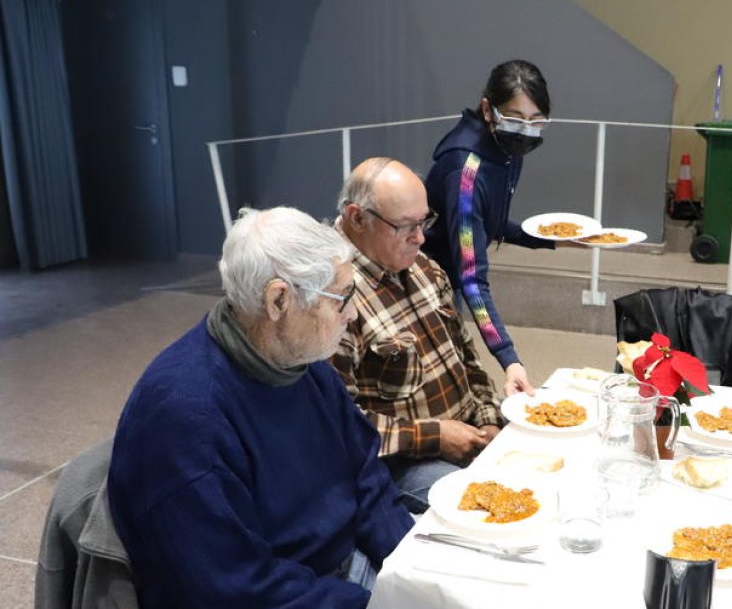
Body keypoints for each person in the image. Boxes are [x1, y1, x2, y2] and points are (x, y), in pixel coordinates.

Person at [107, 207, 413, 608]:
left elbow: (365, 475)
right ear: (278, 300)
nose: (352, 314)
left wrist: (411, 566)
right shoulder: (186, 420)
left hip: (339, 569)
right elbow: (236, 589)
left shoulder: (297, 360)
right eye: (342, 298)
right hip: (292, 593)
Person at [332, 157, 503, 512]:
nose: (421, 237)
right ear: (357, 218)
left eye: (424, 221)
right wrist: (435, 437)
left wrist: (488, 419)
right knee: (482, 508)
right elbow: (339, 426)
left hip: (467, 433)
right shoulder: (332, 297)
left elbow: (468, 360)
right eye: (405, 226)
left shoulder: (423, 267)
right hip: (399, 461)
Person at [423, 59, 555, 396]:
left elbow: (489, 225)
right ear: (487, 110)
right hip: (429, 280)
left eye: (536, 121)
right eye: (515, 118)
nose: (525, 130)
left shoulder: (506, 148)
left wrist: (555, 239)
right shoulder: (465, 172)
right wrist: (509, 359)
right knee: (444, 381)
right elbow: (471, 277)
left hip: (454, 273)